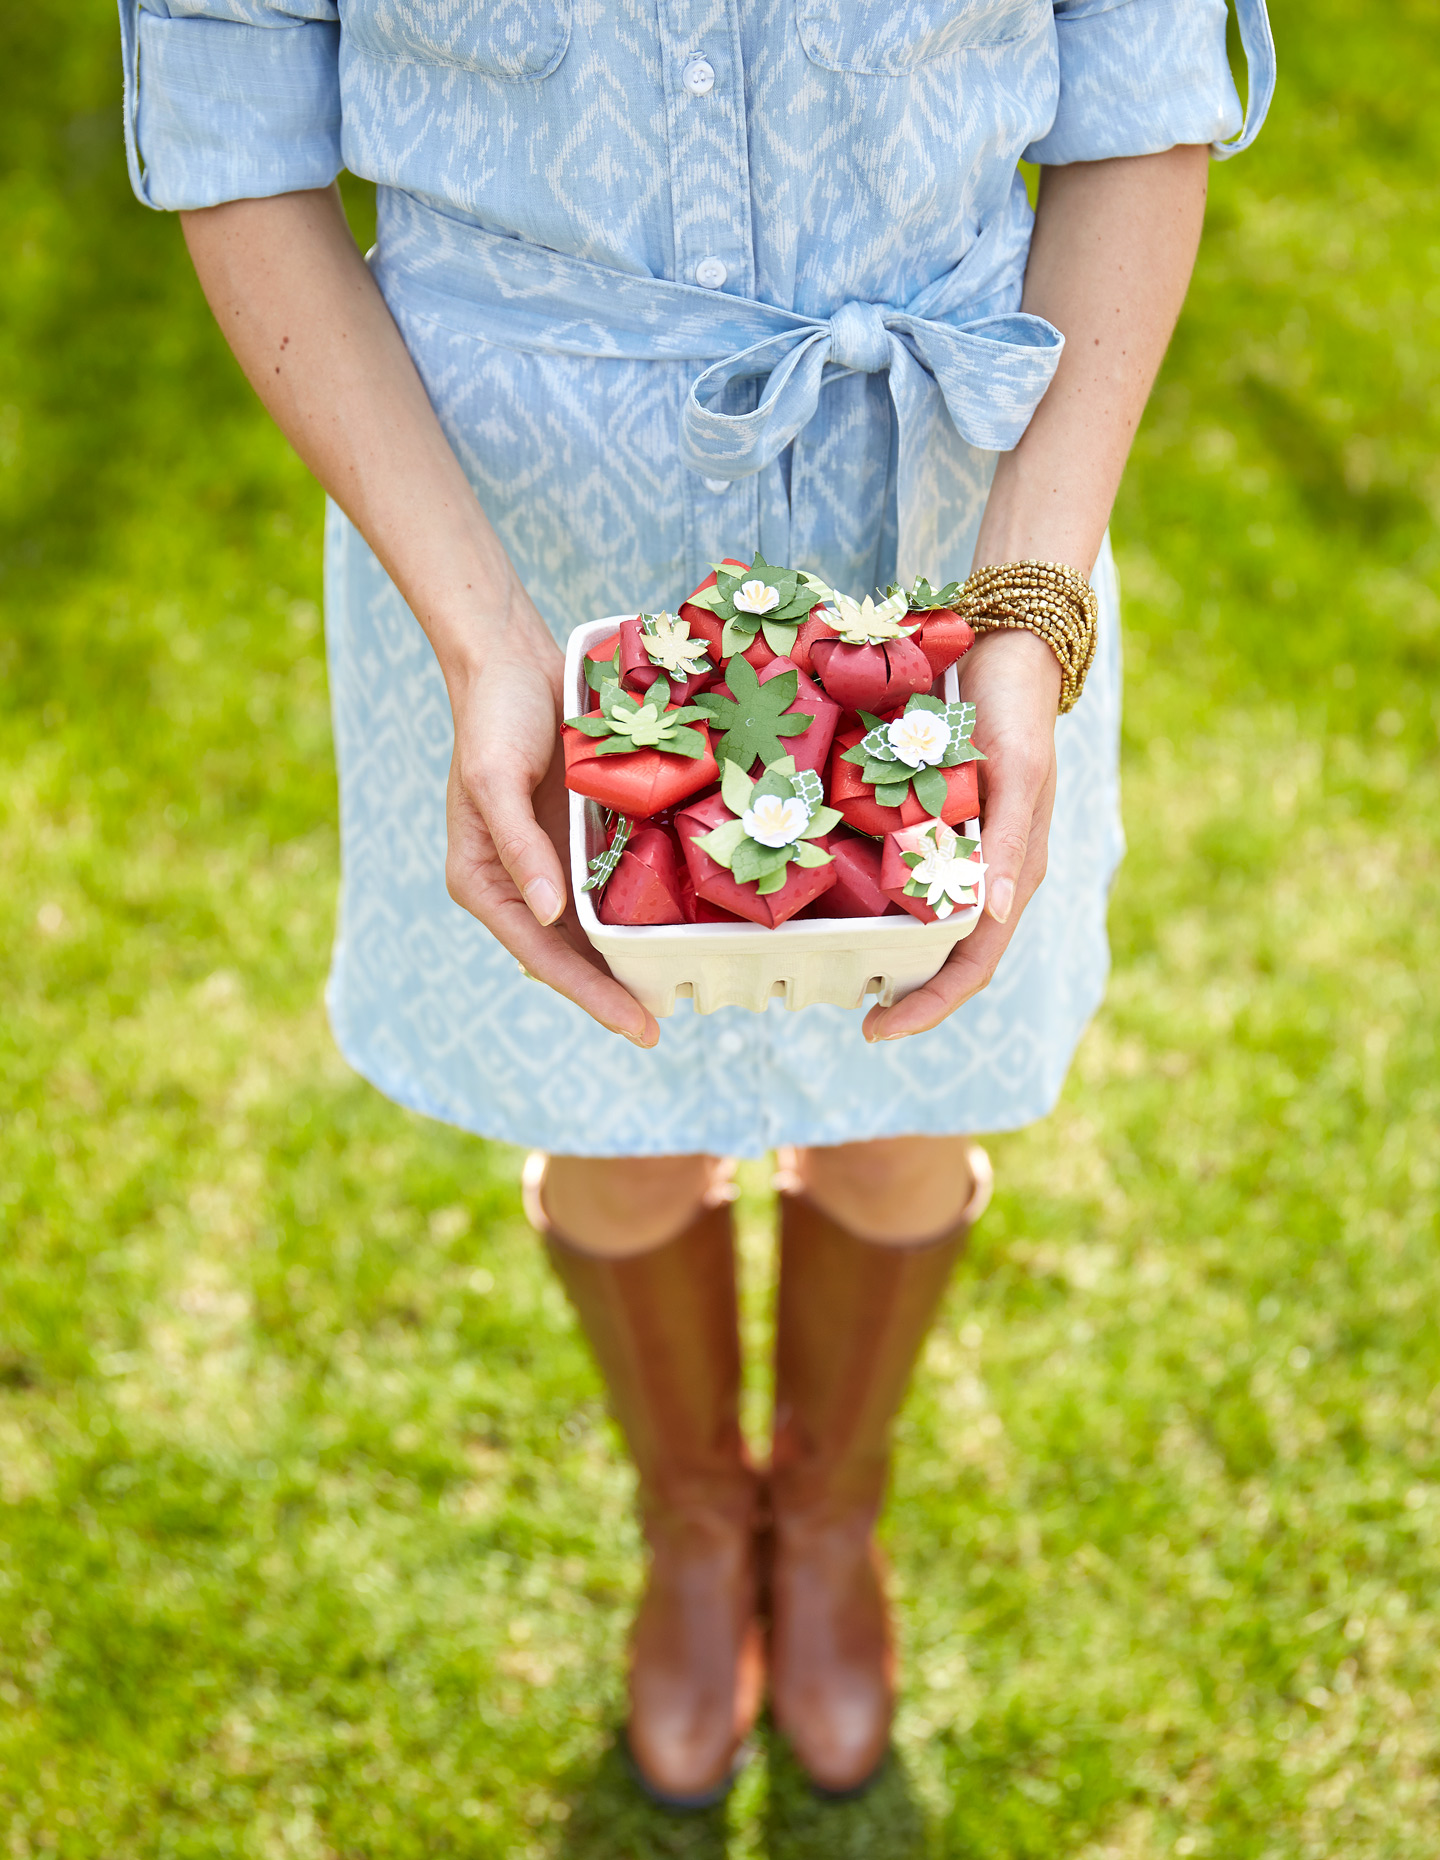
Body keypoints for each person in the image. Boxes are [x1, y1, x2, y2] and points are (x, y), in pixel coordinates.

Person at [119, 0, 1273, 1811]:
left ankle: (823, 1514)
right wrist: (484, 640)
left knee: (906, 1100)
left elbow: (1140, 96)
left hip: (954, 553)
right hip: (499, 536)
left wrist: (1030, 605)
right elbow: (235, 141)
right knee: (619, 1117)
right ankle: (687, 1523)